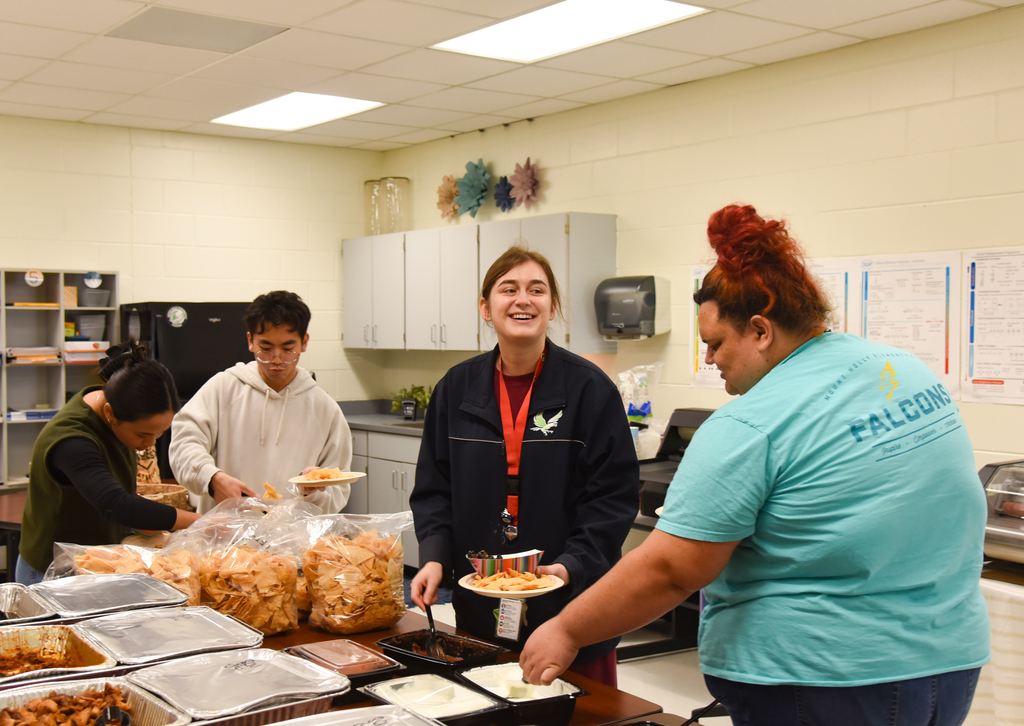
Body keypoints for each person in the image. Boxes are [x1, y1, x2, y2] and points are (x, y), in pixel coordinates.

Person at [521, 204, 991, 726]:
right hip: (949, 662)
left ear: (762, 330)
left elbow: (670, 570)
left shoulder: (750, 424)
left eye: (716, 344)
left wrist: (566, 630)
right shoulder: (902, 369)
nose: (711, 361)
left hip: (824, 679)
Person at [410, 246, 639, 687]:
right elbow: (434, 488)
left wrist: (572, 564)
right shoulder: (455, 388)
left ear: (552, 307)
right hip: (479, 603)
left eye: (537, 290)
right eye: (508, 289)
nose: (523, 299)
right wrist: (435, 557)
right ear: (485, 308)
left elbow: (612, 500)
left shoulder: (590, 389)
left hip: (572, 608)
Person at [18, 341, 200, 585]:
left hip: (91, 561)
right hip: (50, 569)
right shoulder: (72, 440)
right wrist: (202, 522)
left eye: (159, 434)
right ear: (109, 412)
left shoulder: (118, 406)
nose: (150, 444)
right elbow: (116, 504)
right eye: (143, 435)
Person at [170, 291, 352, 514]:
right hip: (225, 536)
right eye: (265, 349)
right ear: (250, 341)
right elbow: (183, 445)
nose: (276, 359)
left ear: (304, 342)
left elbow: (339, 490)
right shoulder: (222, 389)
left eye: (288, 349)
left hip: (292, 541)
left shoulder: (325, 409)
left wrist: (313, 492)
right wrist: (212, 478)